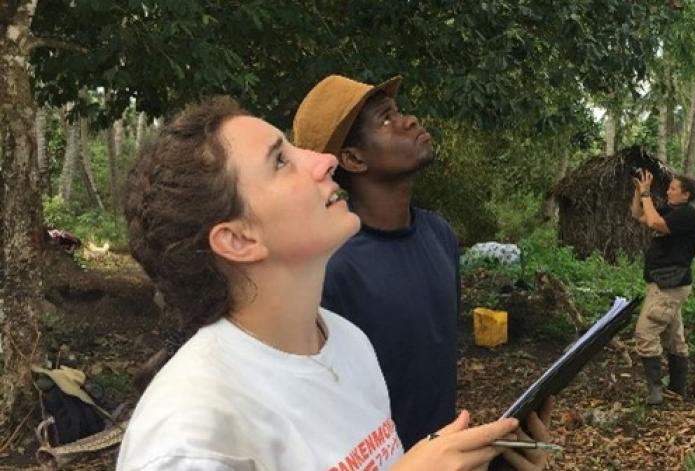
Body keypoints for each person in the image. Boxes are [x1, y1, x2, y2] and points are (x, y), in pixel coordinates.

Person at [116, 97, 547, 471]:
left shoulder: (347, 344)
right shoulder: (191, 435)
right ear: (238, 239)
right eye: (281, 161)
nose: (325, 161)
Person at [292, 75, 551, 466]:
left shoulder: (439, 235)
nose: (409, 120)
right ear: (353, 159)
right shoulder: (331, 267)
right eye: (385, 119)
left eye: (399, 111)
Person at [629, 170, 695, 405]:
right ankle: (677, 388)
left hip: (668, 285)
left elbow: (653, 222)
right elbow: (639, 215)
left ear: (686, 194)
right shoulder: (673, 210)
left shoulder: (687, 215)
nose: (668, 191)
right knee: (673, 337)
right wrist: (637, 190)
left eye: (672, 188)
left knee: (645, 332)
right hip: (667, 283)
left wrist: (647, 193)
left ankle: (655, 391)